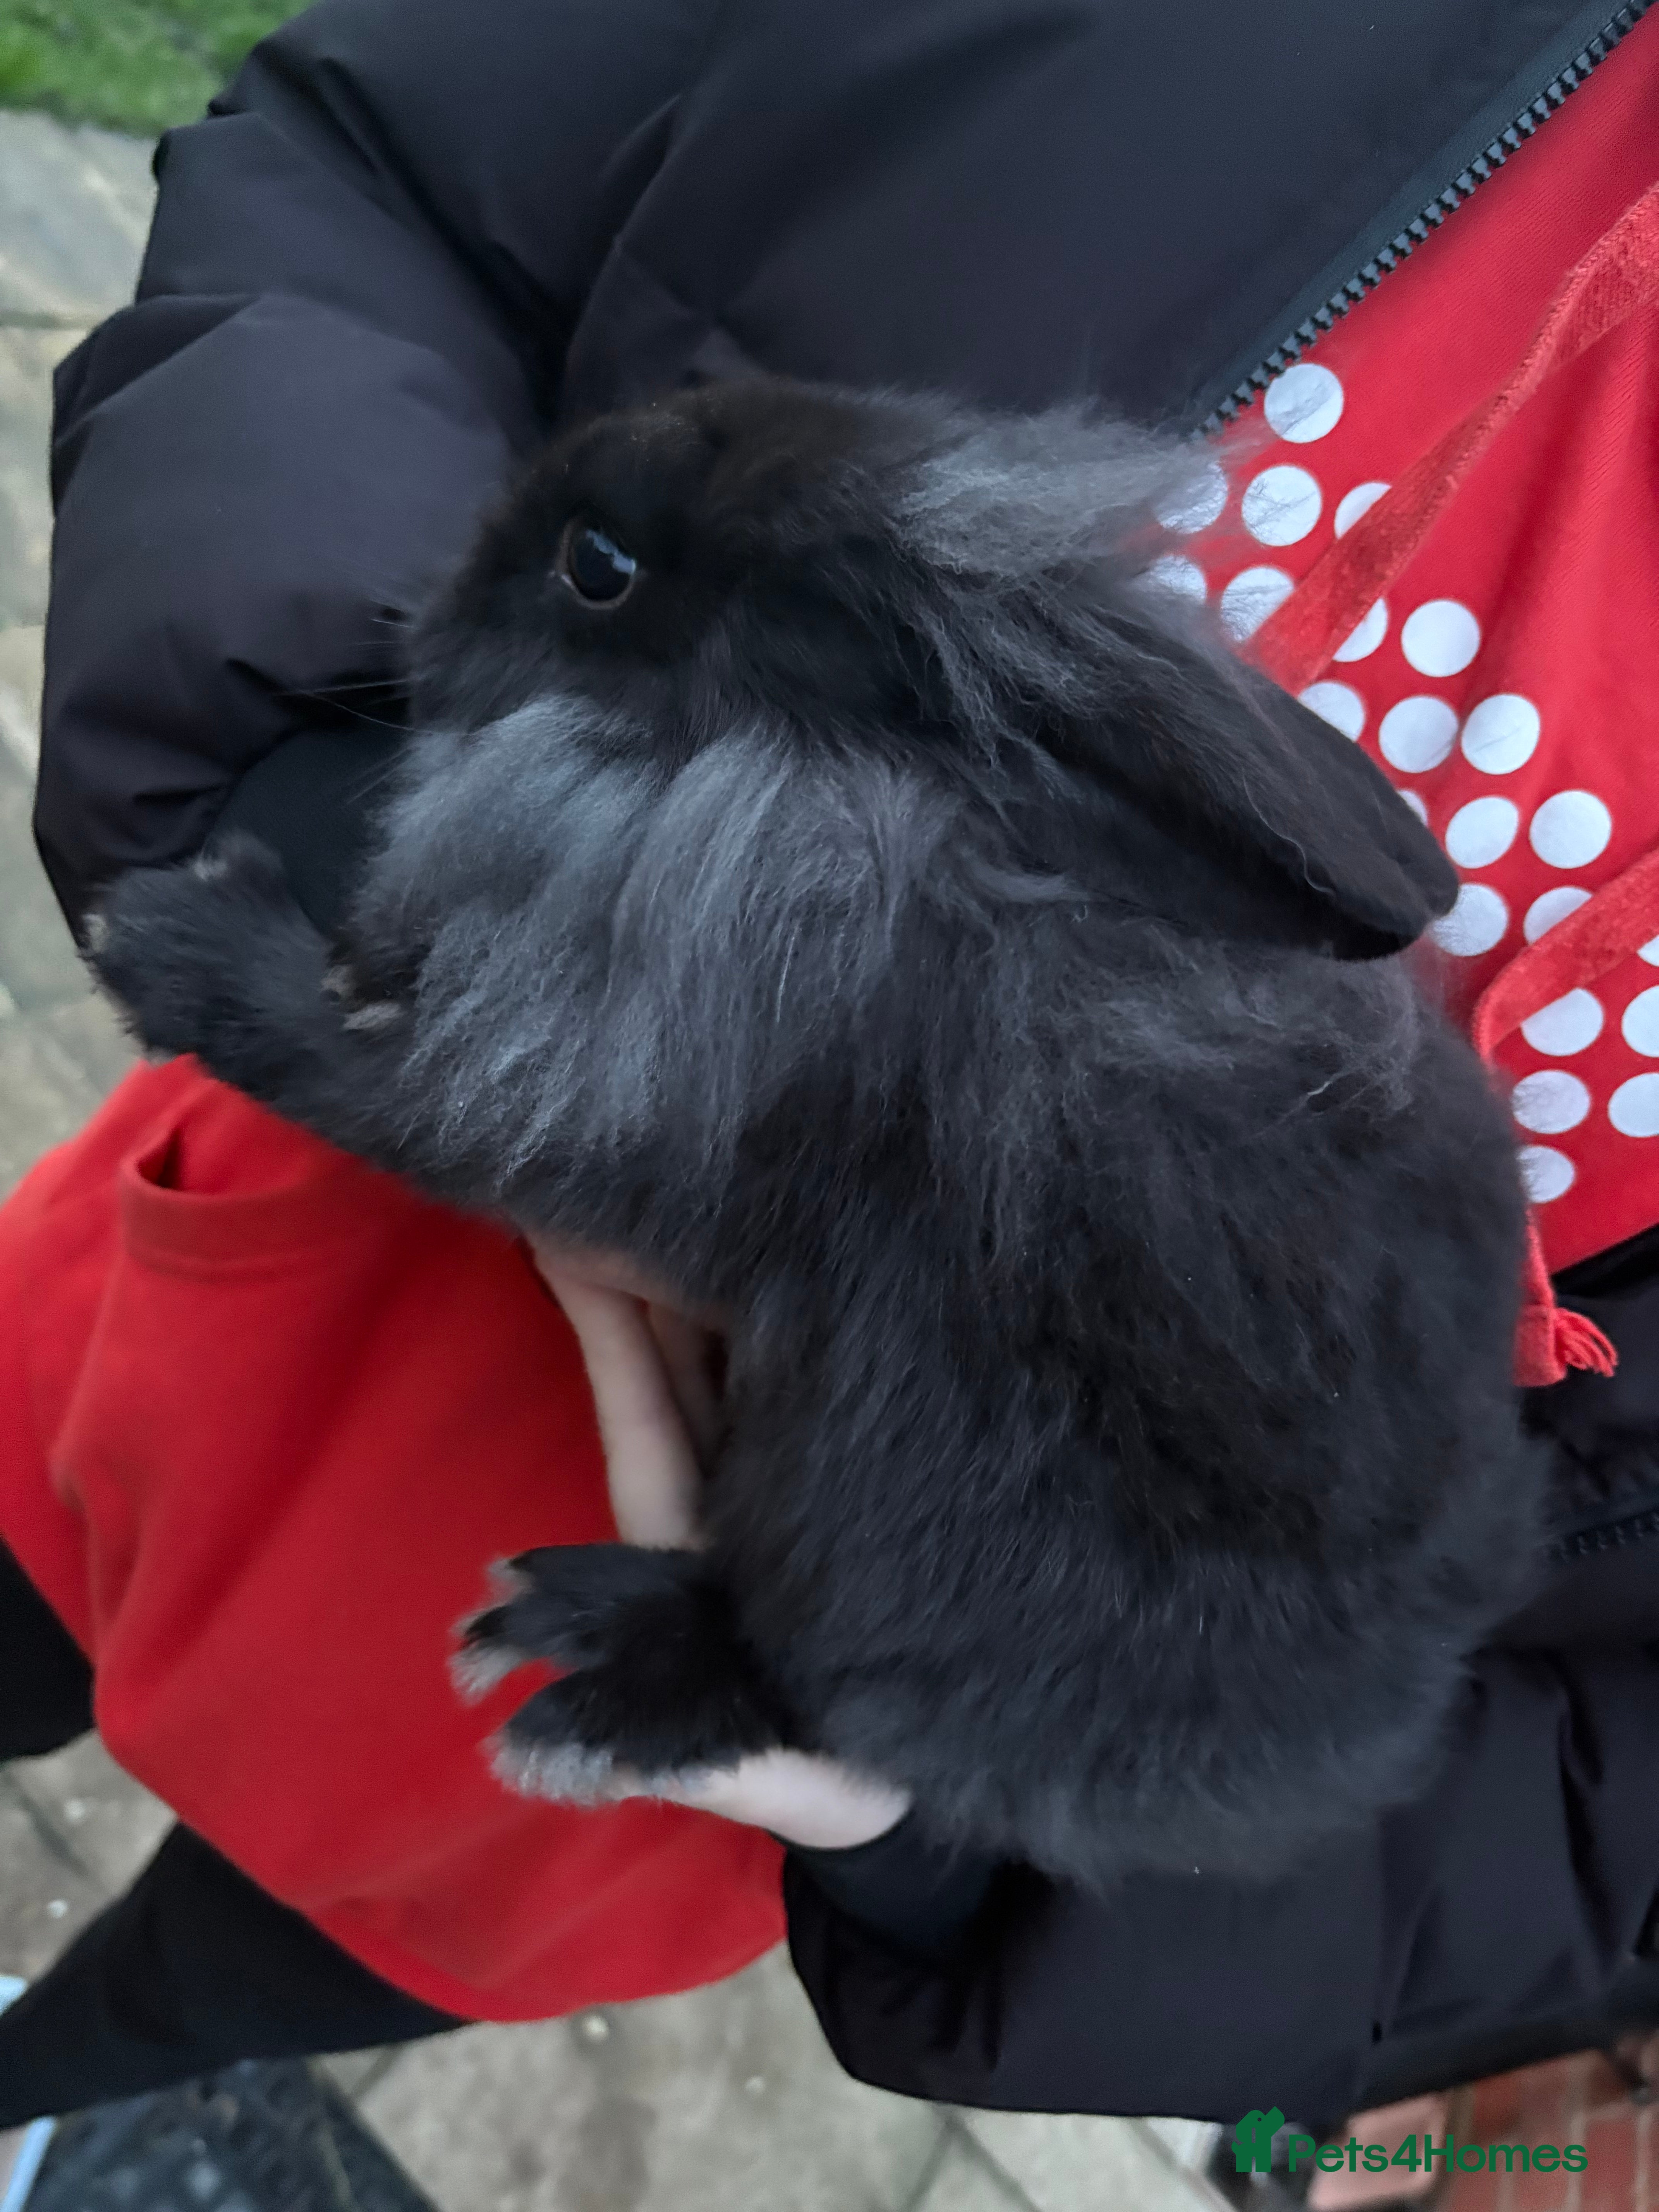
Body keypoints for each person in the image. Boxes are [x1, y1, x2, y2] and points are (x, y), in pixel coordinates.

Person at [12, 0, 1659, 2159]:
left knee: (249, 1963)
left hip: (698, 1711)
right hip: (245, 1288)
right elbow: (401, 165)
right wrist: (383, 881)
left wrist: (932, 1793)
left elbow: (1564, 1821)